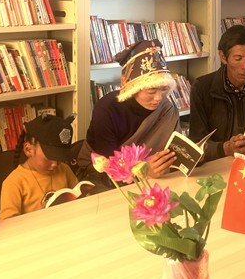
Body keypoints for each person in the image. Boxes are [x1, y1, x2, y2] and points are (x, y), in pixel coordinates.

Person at [76, 39, 178, 183]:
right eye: (151, 90)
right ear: (131, 86)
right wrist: (143, 171)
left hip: (156, 176)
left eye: (164, 89)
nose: (158, 98)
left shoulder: (166, 108)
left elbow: (173, 152)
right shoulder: (107, 109)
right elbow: (108, 171)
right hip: (102, 176)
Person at [189, 24, 245, 161]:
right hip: (217, 164)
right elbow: (196, 144)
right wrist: (224, 149)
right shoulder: (202, 88)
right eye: (238, 58)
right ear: (223, 57)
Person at [0, 113, 79, 220]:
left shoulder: (64, 169)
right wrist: (38, 216)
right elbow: (7, 224)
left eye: (60, 158)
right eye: (49, 157)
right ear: (29, 150)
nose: (55, 164)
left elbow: (78, 196)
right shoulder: (14, 183)